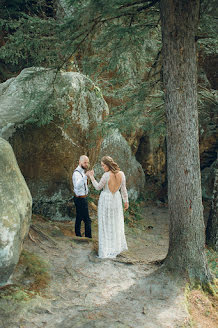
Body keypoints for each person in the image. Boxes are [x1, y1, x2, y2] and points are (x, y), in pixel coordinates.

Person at [87, 156, 129, 258]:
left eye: (103, 165)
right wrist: (126, 201)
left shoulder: (106, 175)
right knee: (115, 223)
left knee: (105, 223)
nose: (102, 167)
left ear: (108, 164)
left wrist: (91, 177)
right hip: (116, 200)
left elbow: (97, 187)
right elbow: (123, 189)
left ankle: (106, 250)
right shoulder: (122, 174)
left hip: (106, 200)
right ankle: (114, 248)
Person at [72, 155, 92, 238]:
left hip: (82, 197)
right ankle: (88, 237)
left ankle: (78, 235)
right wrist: (85, 176)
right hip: (80, 199)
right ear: (80, 162)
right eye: (85, 162)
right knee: (87, 220)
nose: (86, 164)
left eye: (87, 162)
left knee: (79, 217)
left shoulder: (82, 172)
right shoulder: (77, 173)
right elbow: (77, 186)